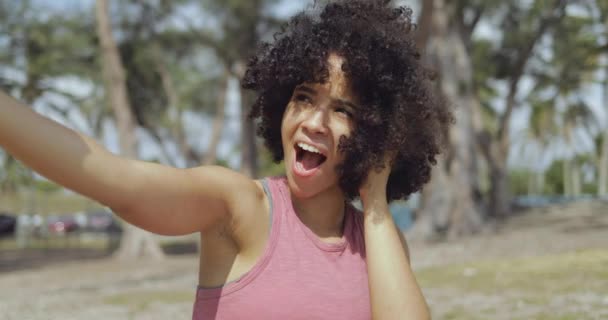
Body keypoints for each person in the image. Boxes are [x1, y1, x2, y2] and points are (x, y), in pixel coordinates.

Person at [0, 0, 452, 319]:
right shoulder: (241, 207)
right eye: (303, 97)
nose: (314, 122)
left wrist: (374, 201)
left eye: (342, 110)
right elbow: (117, 181)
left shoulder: (378, 241)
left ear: (377, 133)